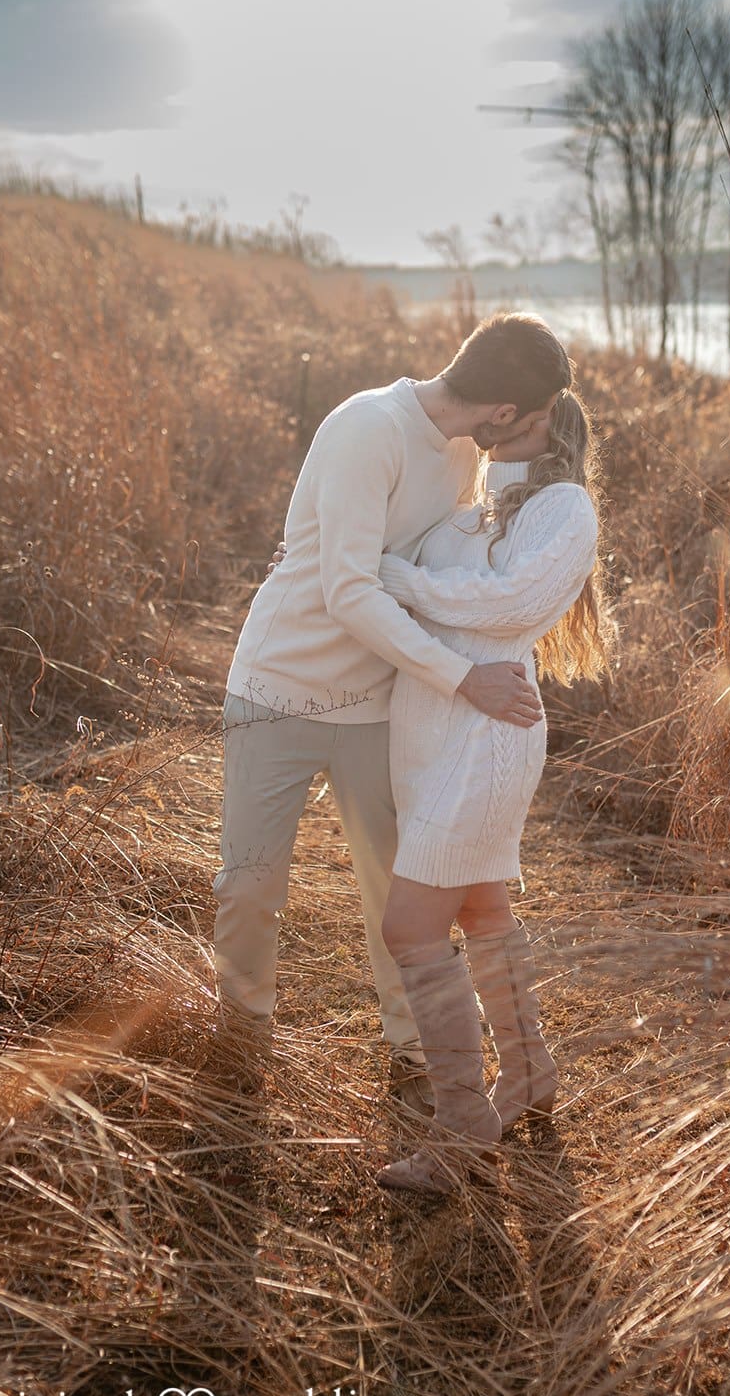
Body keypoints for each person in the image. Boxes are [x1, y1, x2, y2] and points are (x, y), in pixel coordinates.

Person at [212, 313, 572, 1110]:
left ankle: (413, 1052)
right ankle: (241, 1047)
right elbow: (346, 590)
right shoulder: (367, 426)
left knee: (398, 893)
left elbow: (447, 560)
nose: (540, 431)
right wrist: (462, 678)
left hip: (379, 704)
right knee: (249, 885)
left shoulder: (462, 454)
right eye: (539, 416)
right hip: (276, 689)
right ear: (503, 412)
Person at [372, 389, 617, 1194]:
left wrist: (397, 580)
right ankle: (529, 1072)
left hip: (486, 739)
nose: (495, 422)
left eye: (517, 412)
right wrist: (352, 570)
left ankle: (462, 1129)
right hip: (428, 734)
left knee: (410, 925)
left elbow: (508, 605)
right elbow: (408, 589)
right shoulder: (469, 510)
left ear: (547, 422)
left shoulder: (563, 507)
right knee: (480, 910)